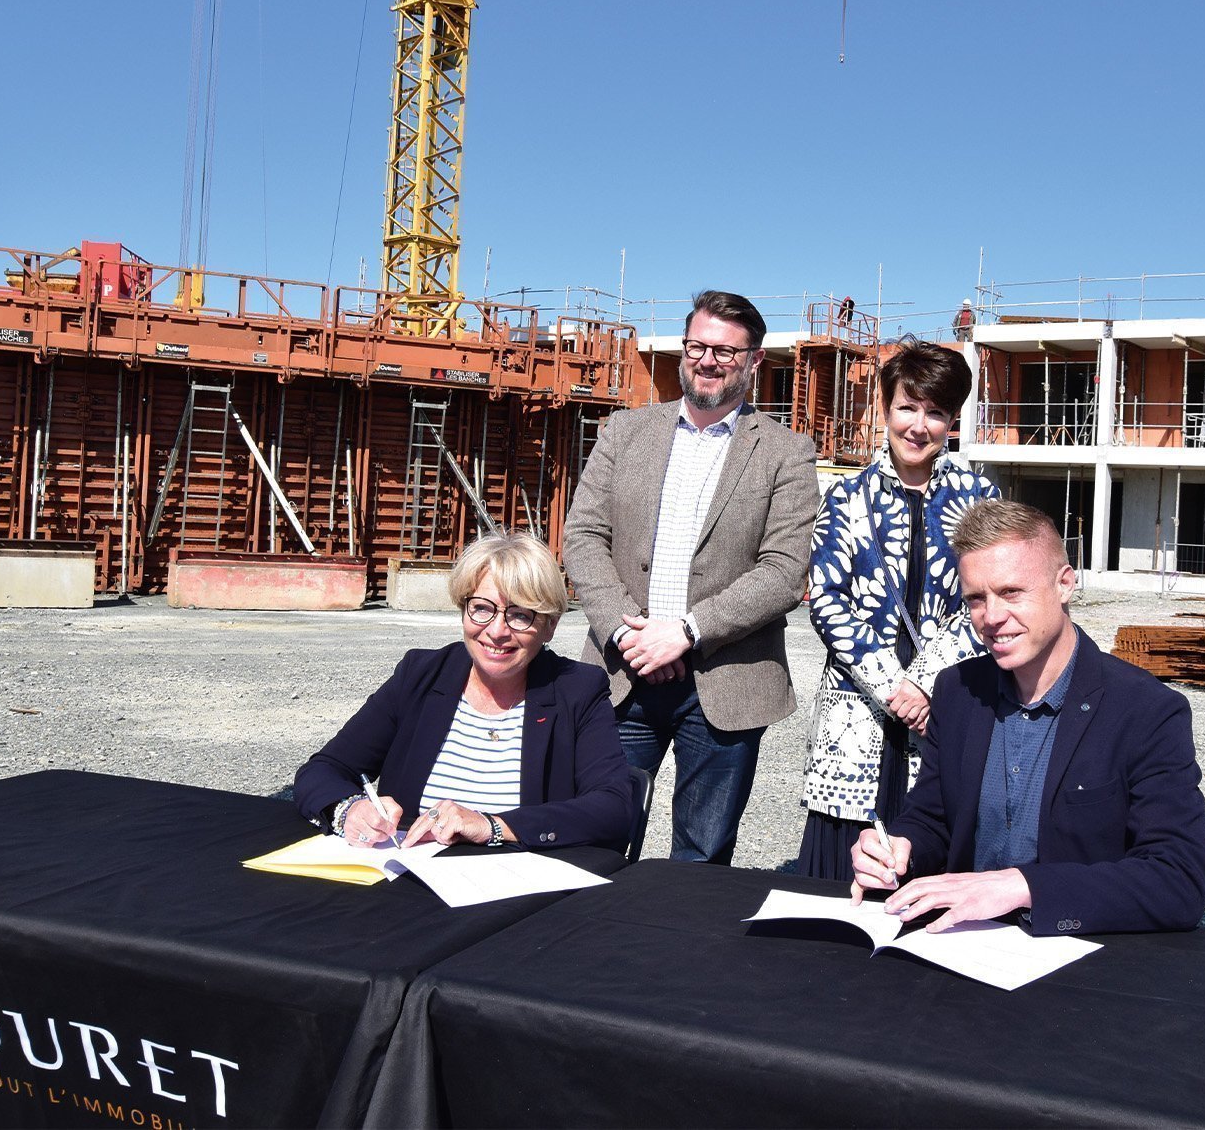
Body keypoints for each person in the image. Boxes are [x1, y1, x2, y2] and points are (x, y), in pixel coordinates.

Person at [851, 499, 1205, 935]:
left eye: (1011, 592)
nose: (993, 617)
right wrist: (900, 847)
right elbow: (934, 818)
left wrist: (1024, 886)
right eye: (976, 599)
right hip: (957, 950)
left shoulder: (1145, 710)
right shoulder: (957, 691)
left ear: (1064, 585)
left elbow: (1179, 879)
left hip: (1082, 968)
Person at [563, 290, 819, 864]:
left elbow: (783, 571)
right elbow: (582, 536)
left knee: (702, 860)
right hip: (621, 674)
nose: (707, 361)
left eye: (725, 352)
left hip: (726, 685)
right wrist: (628, 633)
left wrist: (685, 630)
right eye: (697, 346)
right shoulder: (624, 433)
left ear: (754, 361)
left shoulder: (786, 453)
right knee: (594, 841)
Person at [797, 341, 999, 880]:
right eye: (908, 407)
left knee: (927, 846)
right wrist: (893, 687)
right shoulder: (845, 496)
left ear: (952, 420)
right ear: (885, 408)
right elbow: (828, 600)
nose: (919, 425)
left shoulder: (978, 497)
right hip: (857, 707)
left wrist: (924, 686)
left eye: (935, 412)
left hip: (945, 701)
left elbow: (986, 599)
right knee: (841, 878)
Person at [293, 532, 634, 851]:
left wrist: (492, 826)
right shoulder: (421, 677)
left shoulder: (577, 690)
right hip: (409, 884)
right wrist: (351, 809)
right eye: (482, 608)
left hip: (520, 896)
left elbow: (613, 809)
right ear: (463, 608)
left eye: (520, 615)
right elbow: (322, 771)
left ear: (549, 626)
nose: (497, 631)